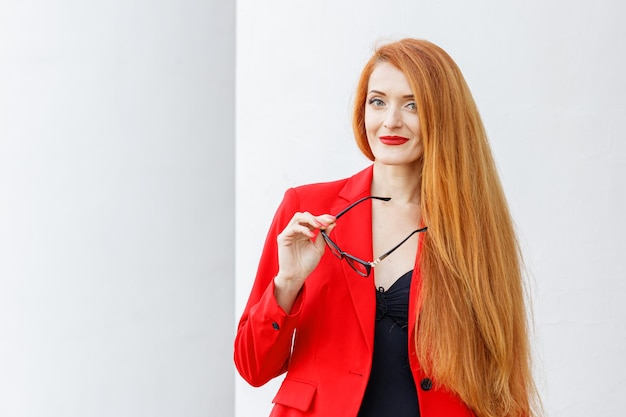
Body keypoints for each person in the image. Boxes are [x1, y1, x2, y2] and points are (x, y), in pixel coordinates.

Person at [234, 38, 540, 417]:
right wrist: (288, 284)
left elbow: (503, 383)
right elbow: (252, 366)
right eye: (377, 101)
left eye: (413, 105)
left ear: (442, 115)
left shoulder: (475, 230)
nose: (391, 120)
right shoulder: (307, 210)